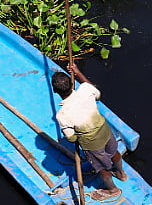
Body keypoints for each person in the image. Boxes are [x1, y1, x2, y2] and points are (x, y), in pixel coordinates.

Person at [52, 63, 127, 197]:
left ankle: (112, 190)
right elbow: (96, 92)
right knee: (114, 152)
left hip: (92, 144)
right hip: (105, 131)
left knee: (101, 168)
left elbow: (71, 138)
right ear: (72, 82)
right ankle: (121, 174)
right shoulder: (86, 90)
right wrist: (77, 72)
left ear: (55, 91)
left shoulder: (62, 115)